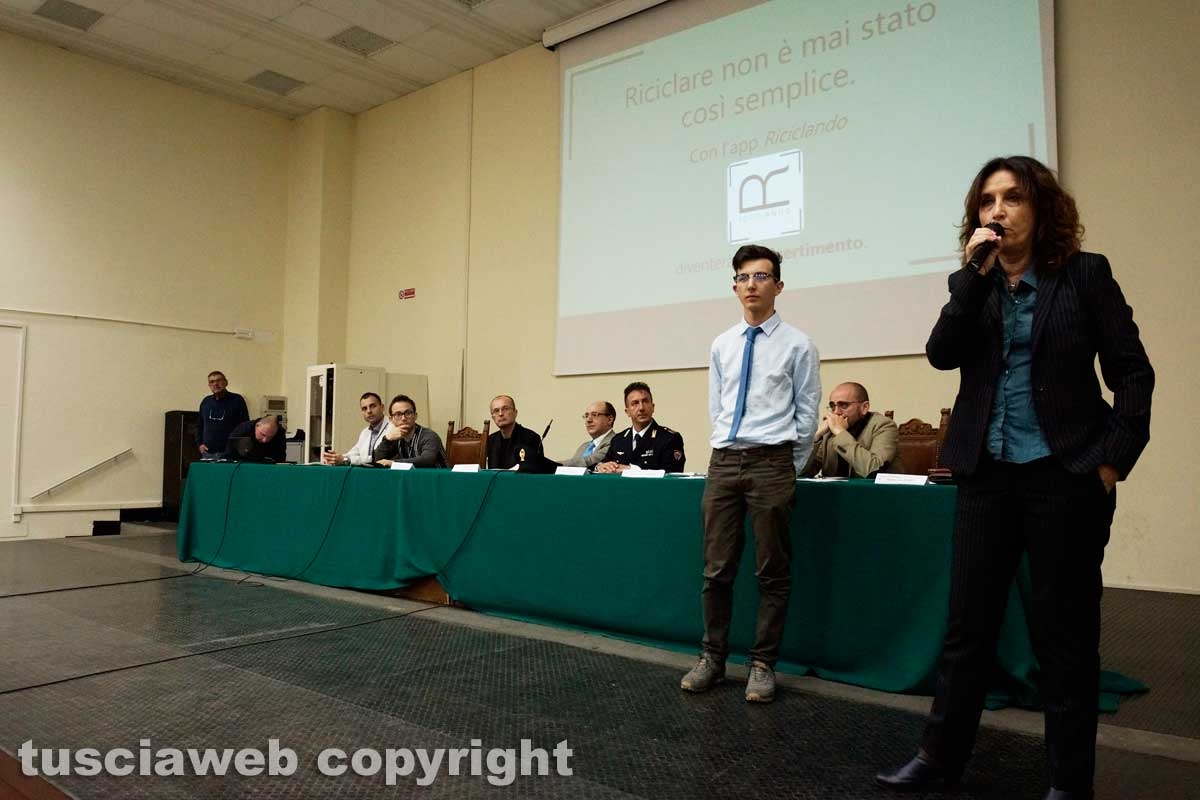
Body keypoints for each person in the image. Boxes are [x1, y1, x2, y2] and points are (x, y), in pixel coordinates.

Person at [876, 156, 1154, 800]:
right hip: (986, 477)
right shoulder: (971, 285)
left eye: (1013, 198)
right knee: (967, 629)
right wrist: (970, 277)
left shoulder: (1085, 275)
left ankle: (1068, 781)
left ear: (1042, 208)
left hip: (1065, 475)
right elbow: (942, 354)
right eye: (987, 201)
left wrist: (1113, 458)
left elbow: (1132, 373)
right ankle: (939, 758)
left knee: (1066, 637)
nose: (997, 210)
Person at [679, 243, 821, 703]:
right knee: (716, 569)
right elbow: (718, 408)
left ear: (778, 285)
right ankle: (712, 659)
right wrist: (725, 451)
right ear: (735, 286)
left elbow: (806, 414)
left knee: (771, 571)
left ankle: (762, 665)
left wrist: (786, 467)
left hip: (772, 463)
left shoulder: (799, 344)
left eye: (761, 276)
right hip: (724, 462)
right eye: (743, 277)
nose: (751, 285)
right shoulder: (722, 344)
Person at [801, 382, 899, 477]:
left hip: (873, 492)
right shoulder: (829, 431)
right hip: (834, 492)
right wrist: (815, 437)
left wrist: (840, 433)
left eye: (843, 405)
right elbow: (800, 472)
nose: (836, 412)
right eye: (832, 406)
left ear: (864, 407)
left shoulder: (883, 426)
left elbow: (874, 469)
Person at [595, 382, 686, 473]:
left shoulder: (669, 438)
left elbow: (672, 475)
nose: (641, 408)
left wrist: (632, 470)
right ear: (627, 412)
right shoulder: (618, 440)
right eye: (635, 403)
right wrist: (600, 467)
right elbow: (604, 464)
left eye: (645, 401)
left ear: (653, 407)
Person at [373, 395, 447, 468]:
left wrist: (394, 463)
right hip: (413, 478)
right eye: (398, 414)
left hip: (439, 478)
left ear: (415, 416)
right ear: (391, 419)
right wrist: (387, 439)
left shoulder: (429, 436)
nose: (403, 418)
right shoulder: (396, 437)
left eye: (408, 413)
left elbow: (427, 460)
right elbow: (377, 459)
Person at [321, 392, 391, 466]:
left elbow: (375, 458)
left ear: (382, 407)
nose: (369, 411)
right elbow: (354, 453)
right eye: (364, 408)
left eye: (372, 406)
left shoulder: (393, 428)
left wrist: (345, 459)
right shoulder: (365, 432)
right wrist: (335, 458)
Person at [196, 371, 249, 456]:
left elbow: (245, 426)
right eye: (212, 382)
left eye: (219, 380)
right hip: (207, 453)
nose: (216, 384)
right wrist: (200, 444)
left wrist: (238, 448)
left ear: (226, 382)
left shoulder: (237, 400)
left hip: (230, 453)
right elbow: (199, 425)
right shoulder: (206, 402)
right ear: (209, 386)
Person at [486, 395, 543, 469]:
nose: (500, 414)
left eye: (505, 409)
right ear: (493, 417)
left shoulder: (531, 438)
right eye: (496, 411)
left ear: (515, 413)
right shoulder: (490, 440)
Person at [561, 401, 618, 468]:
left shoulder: (616, 442)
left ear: (609, 420)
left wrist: (552, 465)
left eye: (594, 415)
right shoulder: (583, 446)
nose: (588, 420)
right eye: (586, 416)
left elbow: (589, 461)